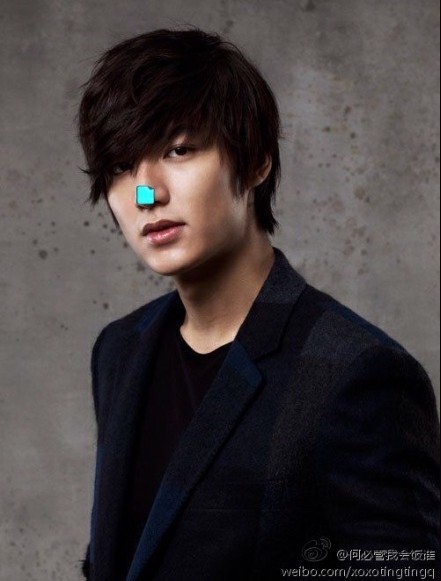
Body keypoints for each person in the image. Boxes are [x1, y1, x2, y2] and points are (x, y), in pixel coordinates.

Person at [76, 28, 440, 581]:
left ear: (255, 163)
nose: (146, 193)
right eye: (122, 166)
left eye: (178, 150)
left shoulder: (358, 374)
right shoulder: (119, 351)